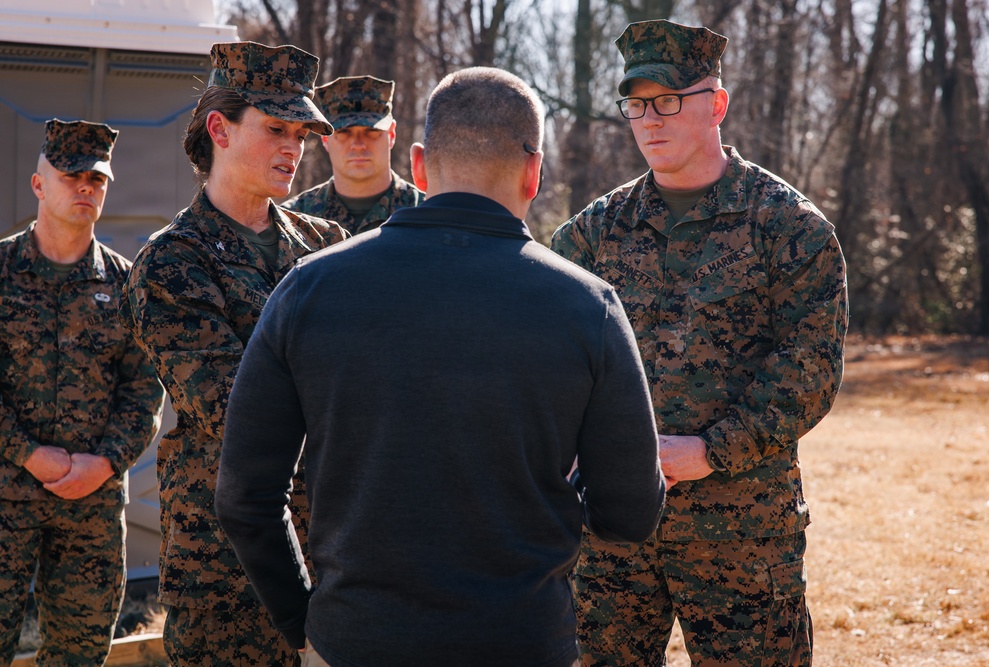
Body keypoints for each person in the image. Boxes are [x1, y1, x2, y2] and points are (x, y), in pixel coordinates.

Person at [215, 66, 667, 667]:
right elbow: (631, 514)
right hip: (520, 640)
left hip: (355, 639)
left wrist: (303, 620)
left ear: (420, 165)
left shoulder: (310, 290)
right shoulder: (588, 307)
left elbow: (245, 496)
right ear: (534, 173)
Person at [550, 20, 849, 667]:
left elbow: (810, 368)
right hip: (613, 532)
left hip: (740, 532)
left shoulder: (789, 227)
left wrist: (712, 449)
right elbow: (540, 344)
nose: (649, 120)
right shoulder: (593, 234)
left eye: (668, 100)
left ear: (715, 103)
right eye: (636, 103)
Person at [118, 41, 348, 666]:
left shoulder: (329, 245)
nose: (294, 148)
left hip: (336, 547)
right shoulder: (174, 261)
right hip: (228, 569)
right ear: (218, 128)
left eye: (301, 133)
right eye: (276, 128)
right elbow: (232, 407)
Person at [0, 119, 165, 666]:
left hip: (89, 507)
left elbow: (144, 391)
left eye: (96, 179)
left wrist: (105, 463)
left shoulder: (124, 284)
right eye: (70, 176)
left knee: (79, 653)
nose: (85, 188)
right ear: (39, 184)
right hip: (5, 495)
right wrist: (26, 453)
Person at [283, 75, 424, 234]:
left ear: (391, 135)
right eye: (344, 132)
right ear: (325, 139)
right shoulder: (293, 221)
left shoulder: (425, 213)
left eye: (371, 131)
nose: (358, 145)